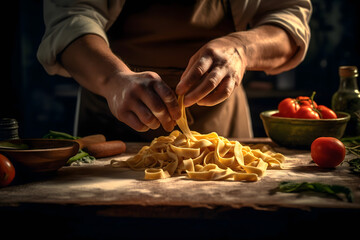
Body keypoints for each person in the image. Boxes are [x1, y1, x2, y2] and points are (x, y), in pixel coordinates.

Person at [37, 0, 312, 141]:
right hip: (112, 111)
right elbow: (69, 21)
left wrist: (242, 48)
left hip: (220, 117)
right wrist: (114, 80)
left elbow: (290, 17)